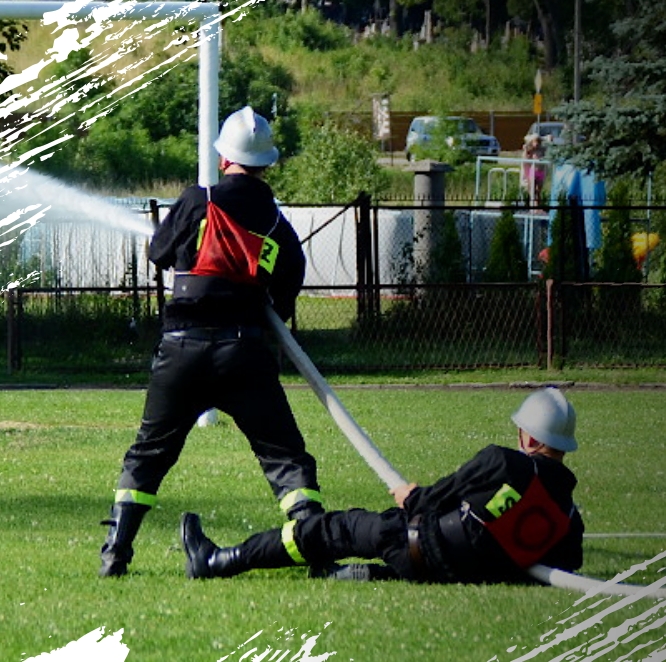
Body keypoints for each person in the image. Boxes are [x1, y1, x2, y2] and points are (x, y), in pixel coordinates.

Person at [98, 106, 322, 577]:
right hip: (245, 352)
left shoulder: (197, 201)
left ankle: (115, 552)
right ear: (267, 164)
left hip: (180, 348)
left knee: (149, 452)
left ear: (224, 159)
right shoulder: (279, 226)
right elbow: (286, 292)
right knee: (284, 455)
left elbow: (158, 253)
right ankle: (315, 540)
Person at [179, 388, 585, 584]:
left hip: (414, 544)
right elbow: (562, 567)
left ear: (530, 439)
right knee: (362, 548)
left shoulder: (503, 462)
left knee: (329, 529)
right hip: (451, 574)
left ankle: (219, 561)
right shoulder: (569, 519)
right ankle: (363, 577)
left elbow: (437, 496)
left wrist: (412, 496)